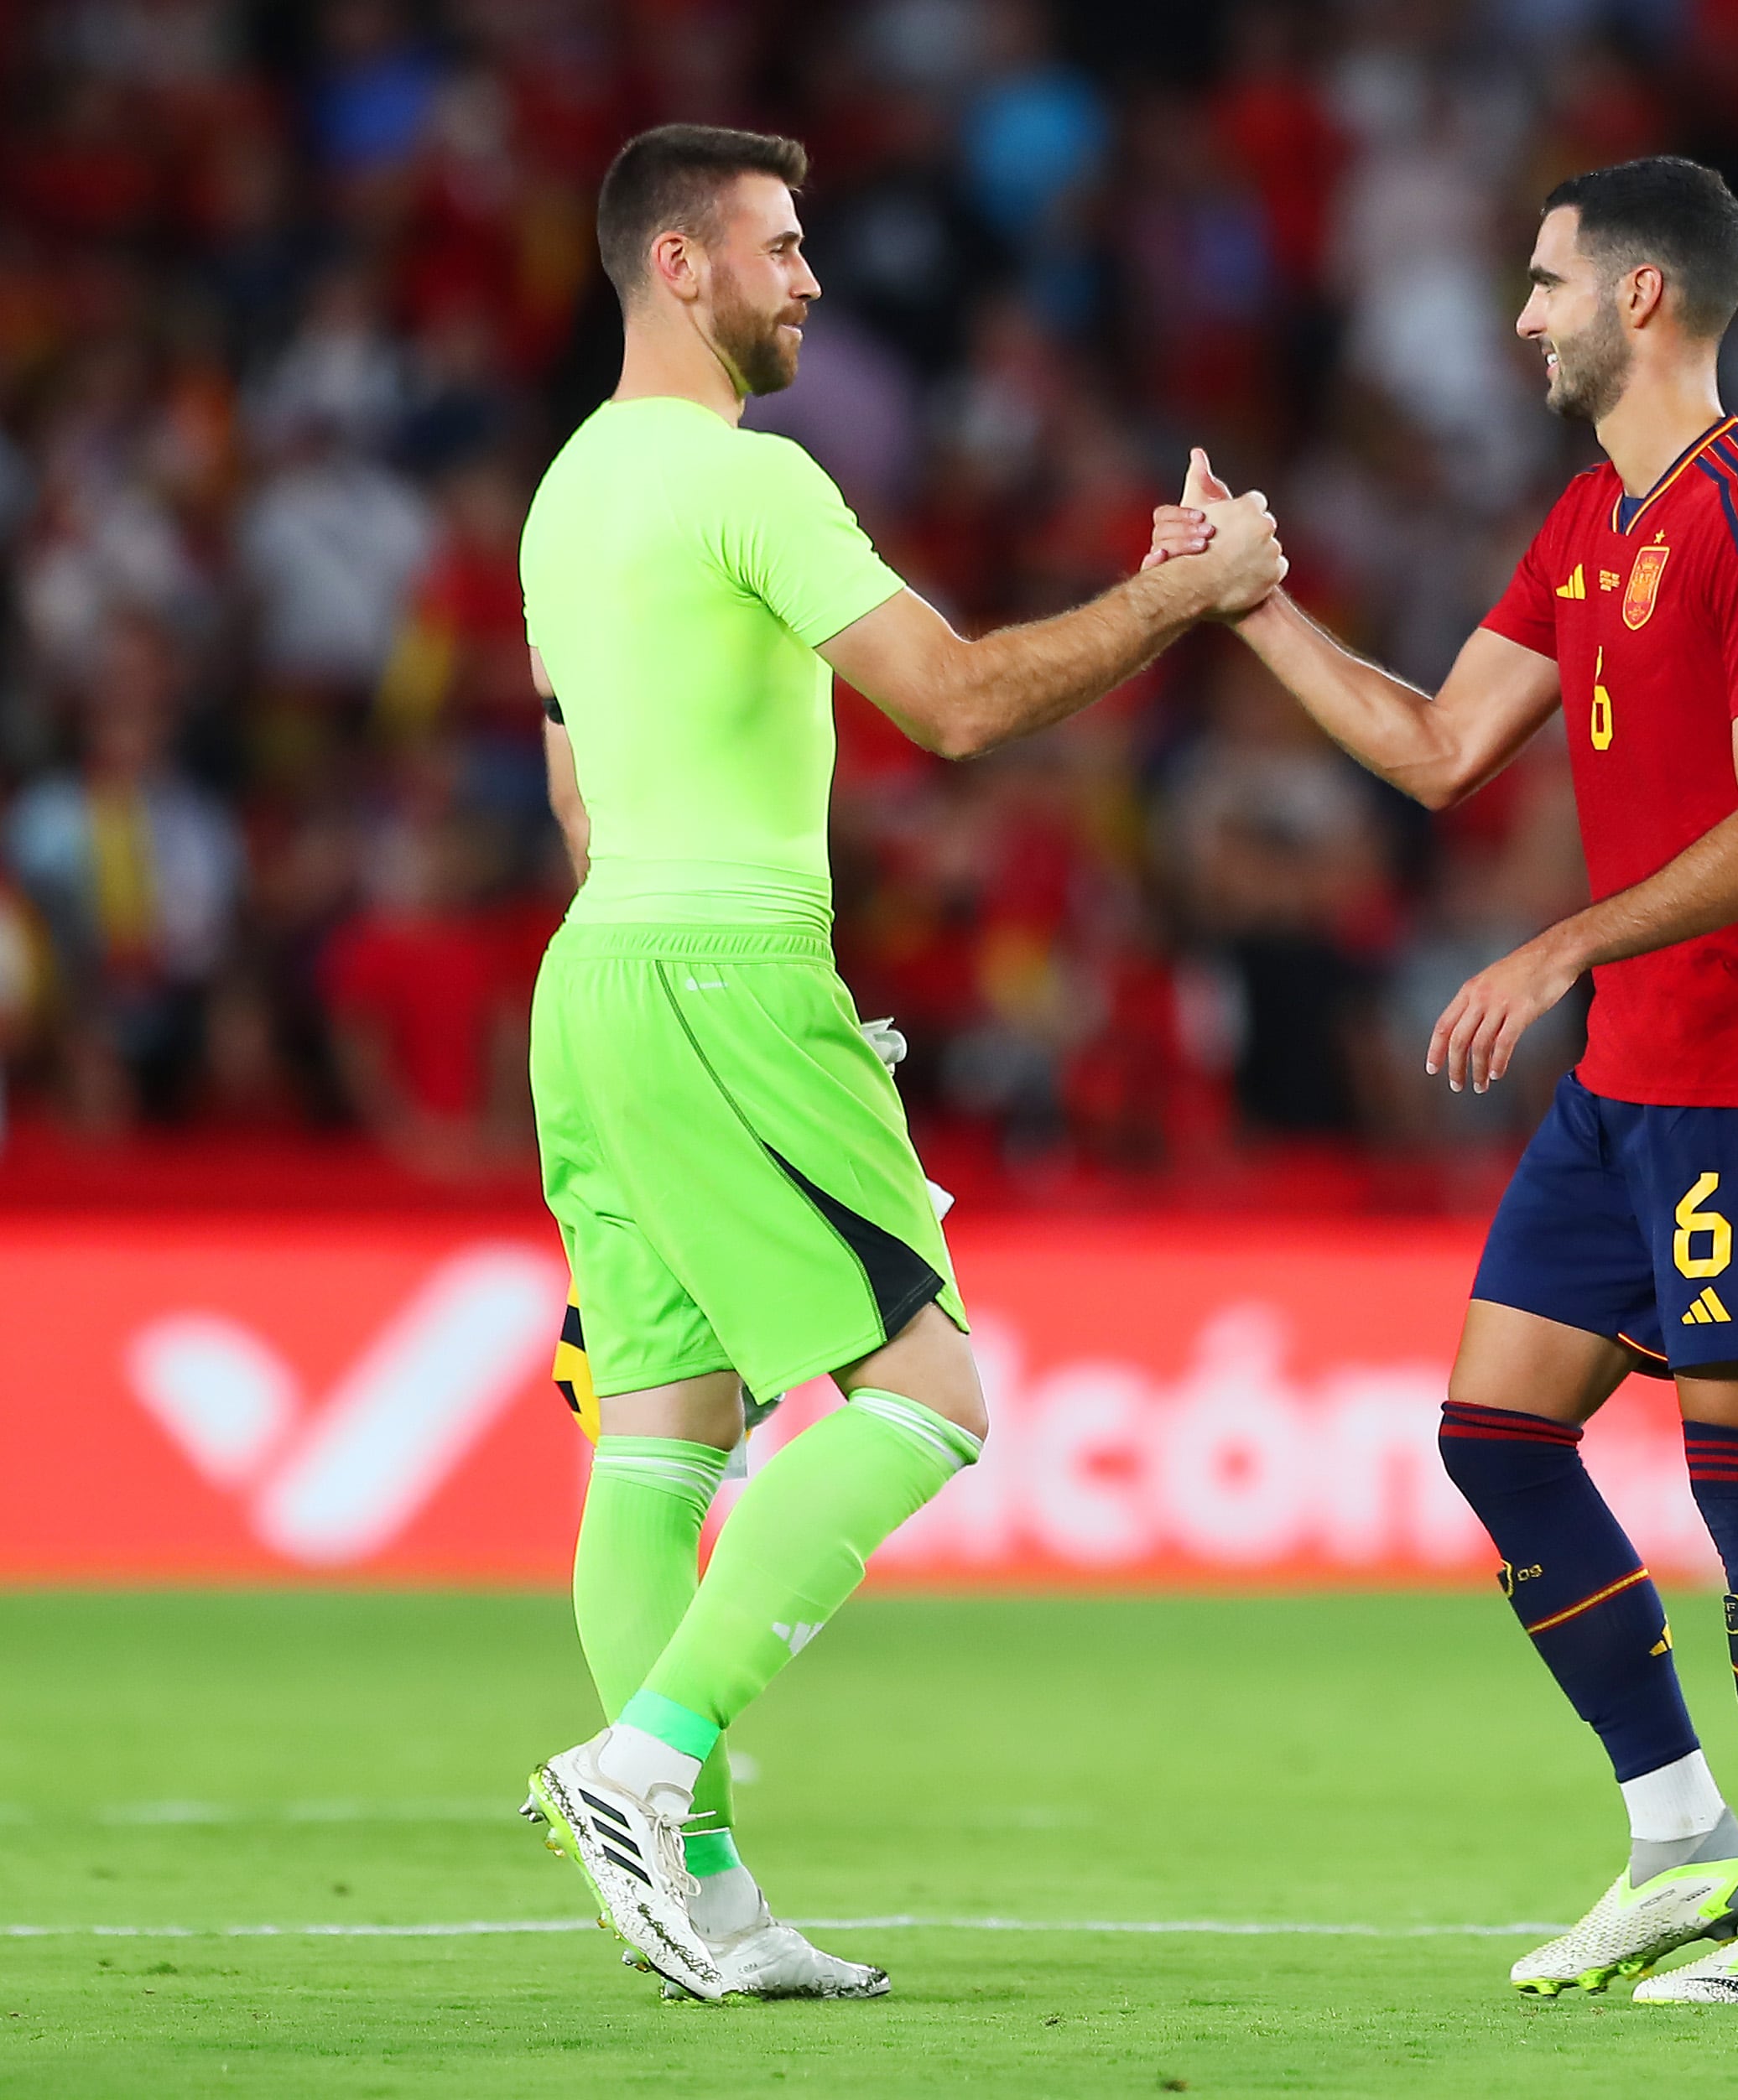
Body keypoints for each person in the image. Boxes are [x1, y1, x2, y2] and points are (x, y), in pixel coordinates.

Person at [519, 123, 1282, 2003]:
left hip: (599, 969)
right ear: (680, 265)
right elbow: (953, 701)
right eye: (780, 247)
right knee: (931, 1392)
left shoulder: (563, 494)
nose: (813, 279)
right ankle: (640, 1765)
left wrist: (671, 986)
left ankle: (690, 1888)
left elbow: (569, 772)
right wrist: (1183, 597)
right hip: (719, 966)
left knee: (664, 1433)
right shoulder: (745, 483)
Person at [1153, 155, 1738, 2007]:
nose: (1521, 315)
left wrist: (1562, 945)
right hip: (1631, 1082)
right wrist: (1248, 604)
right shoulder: (1586, 526)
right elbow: (1433, 748)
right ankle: (1677, 1833)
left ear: (1642, 297)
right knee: (1494, 1436)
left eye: (1546, 281)